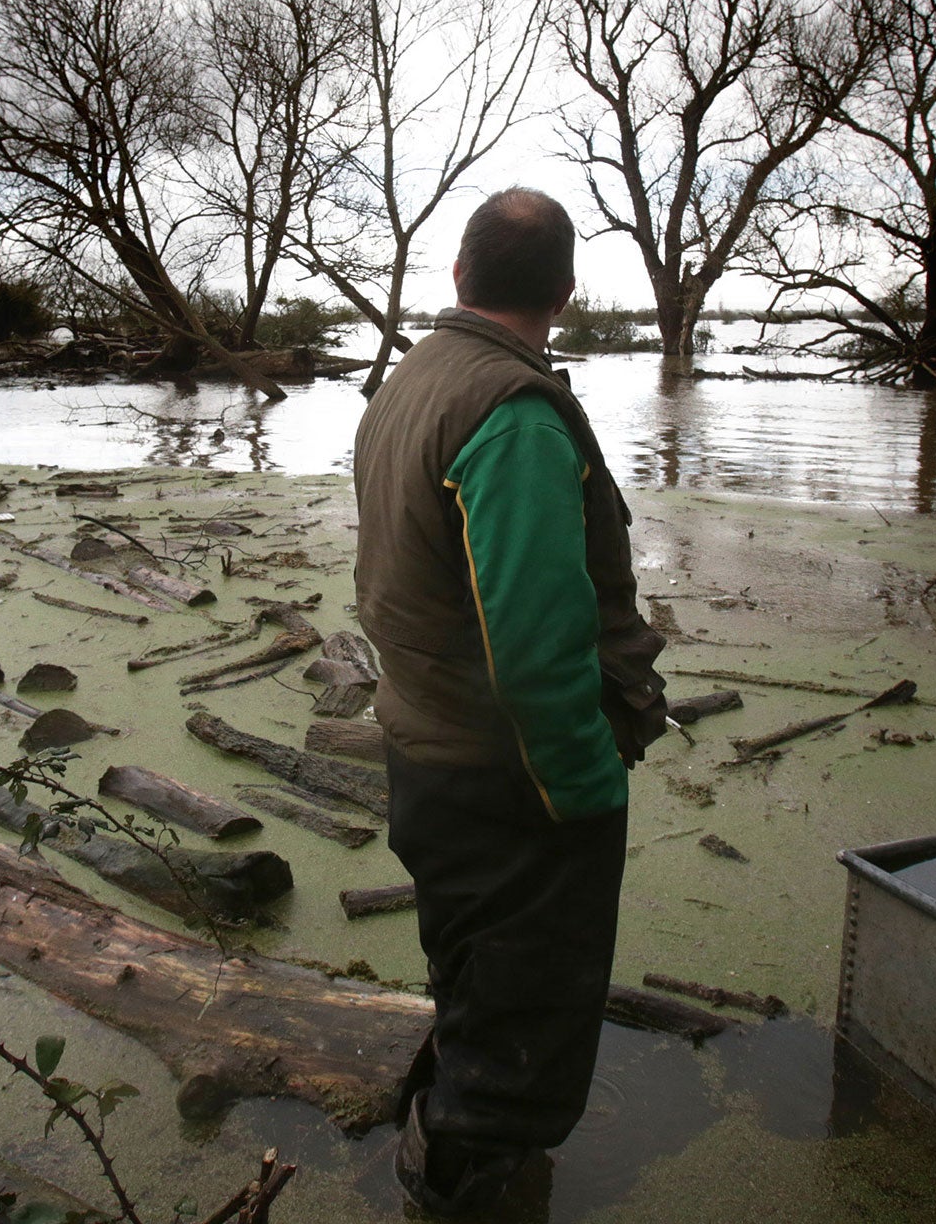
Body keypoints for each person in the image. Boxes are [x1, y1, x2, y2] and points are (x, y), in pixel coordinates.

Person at [352, 186, 669, 1214]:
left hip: (428, 759)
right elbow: (533, 651)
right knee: (514, 1055)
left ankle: (441, 1153)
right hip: (510, 789)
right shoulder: (514, 416)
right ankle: (462, 1180)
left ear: (457, 273)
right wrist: (585, 793)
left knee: (476, 994)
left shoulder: (414, 377)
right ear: (565, 295)